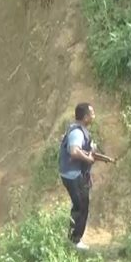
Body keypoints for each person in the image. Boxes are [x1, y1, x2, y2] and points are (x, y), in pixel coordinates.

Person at [58, 103, 96, 250]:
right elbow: (74, 151)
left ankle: (73, 238)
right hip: (73, 175)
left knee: (80, 205)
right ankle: (75, 240)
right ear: (85, 117)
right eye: (92, 114)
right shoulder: (77, 133)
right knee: (81, 206)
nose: (94, 116)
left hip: (75, 173)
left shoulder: (76, 129)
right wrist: (88, 159)